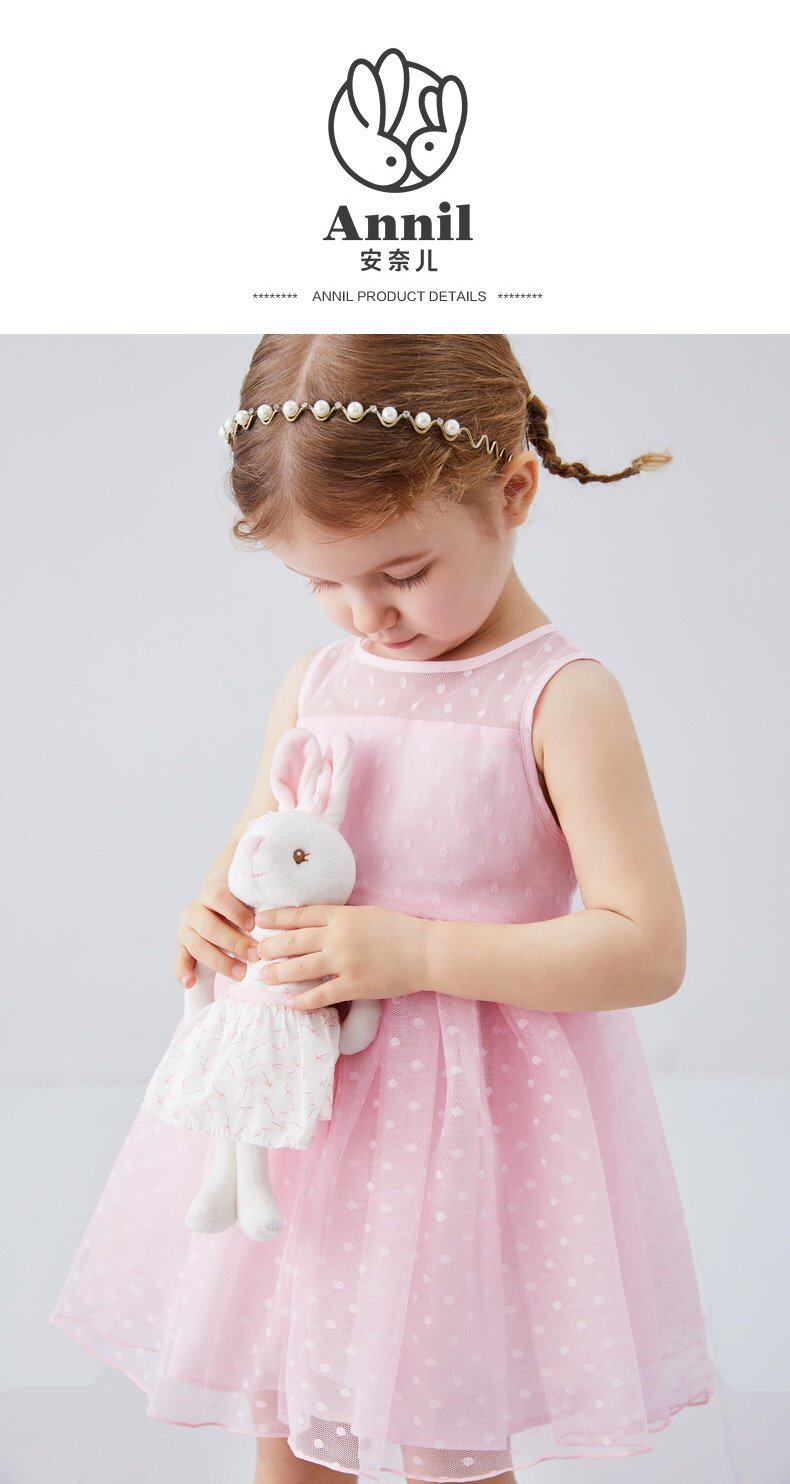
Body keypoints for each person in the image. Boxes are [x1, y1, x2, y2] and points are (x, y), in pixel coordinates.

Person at [50, 334, 715, 1482]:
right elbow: (261, 850)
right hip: (308, 1118)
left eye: (402, 572)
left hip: (468, 1135)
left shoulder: (557, 697)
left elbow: (645, 947)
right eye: (321, 582)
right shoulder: (318, 683)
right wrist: (214, 910)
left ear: (513, 491)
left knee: (448, 1433)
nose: (365, 615)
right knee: (293, 1409)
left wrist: (418, 949)